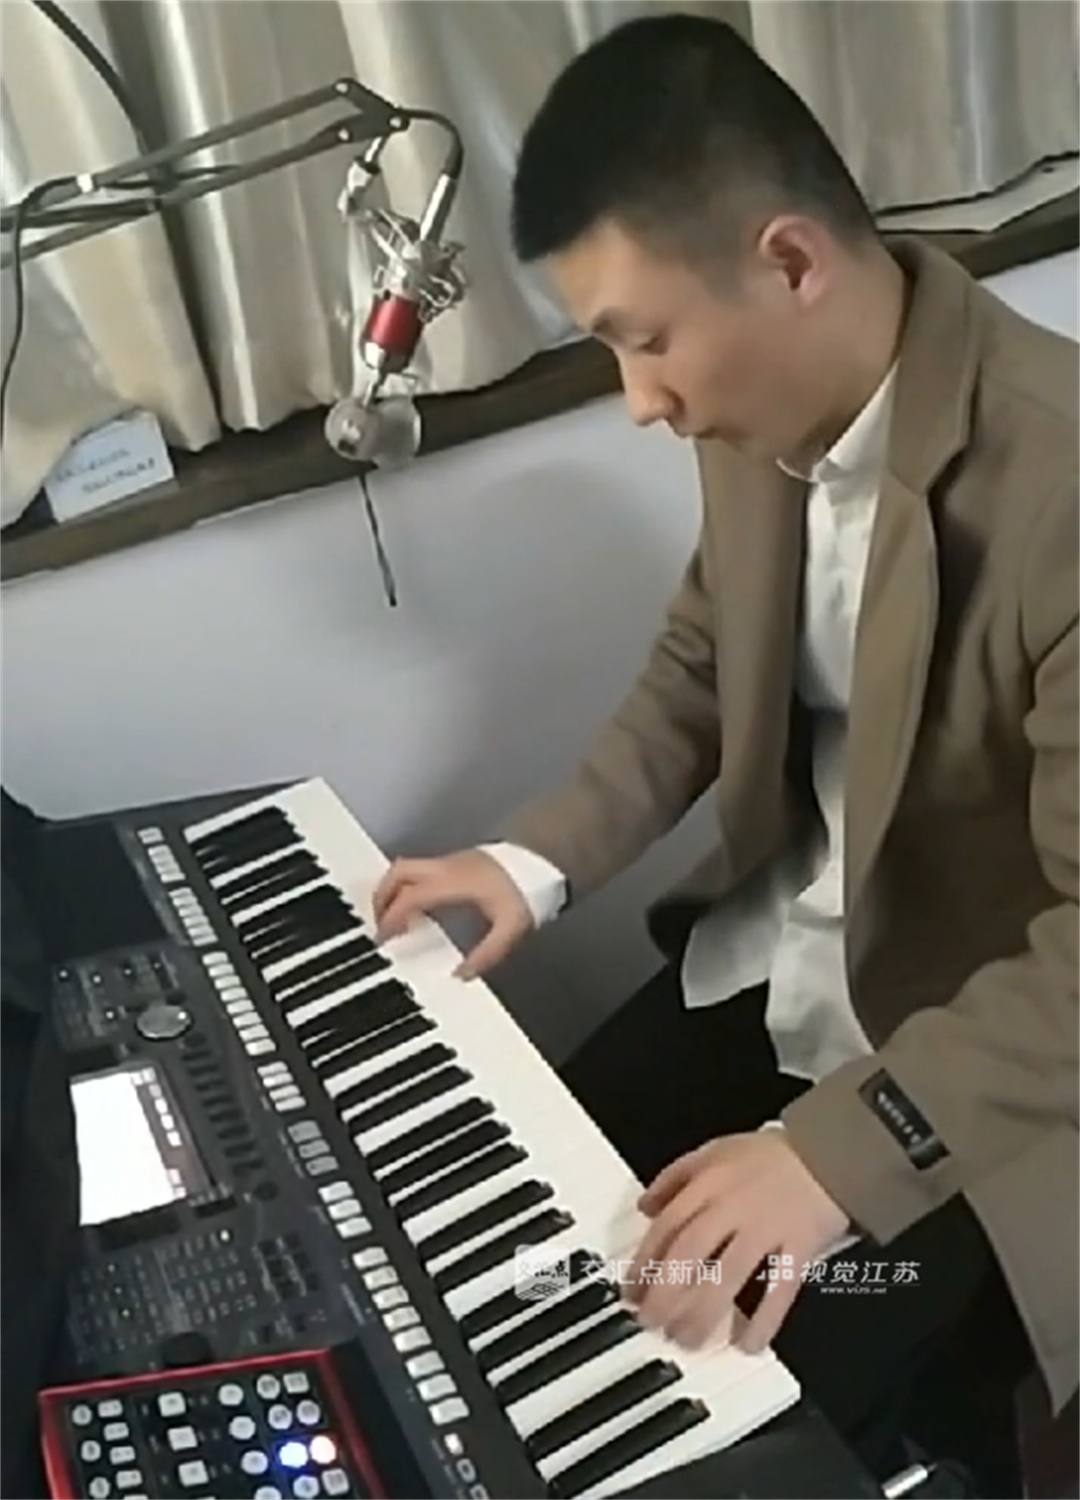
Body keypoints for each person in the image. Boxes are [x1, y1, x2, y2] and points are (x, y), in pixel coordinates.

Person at [373, 15, 1079, 1497]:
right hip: (772, 973)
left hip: (972, 1067)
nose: (642, 403)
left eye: (644, 340)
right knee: (493, 1260)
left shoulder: (1062, 484)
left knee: (724, 1436)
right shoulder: (759, 414)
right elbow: (709, 657)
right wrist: (535, 857)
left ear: (790, 261)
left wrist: (835, 1158)